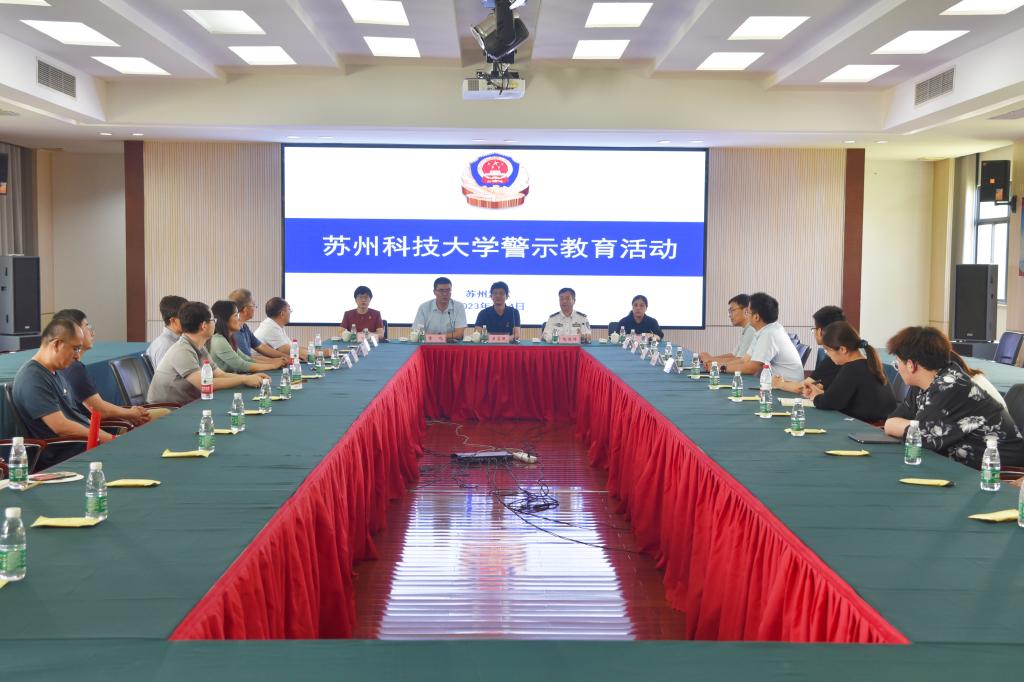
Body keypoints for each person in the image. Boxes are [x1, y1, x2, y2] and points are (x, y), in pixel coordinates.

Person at [883, 326, 1024, 469]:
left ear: (910, 365)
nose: (898, 368)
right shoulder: (923, 384)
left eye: (897, 363)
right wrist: (914, 426)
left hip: (998, 471)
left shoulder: (952, 385)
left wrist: (912, 427)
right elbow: (892, 422)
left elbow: (923, 438)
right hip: (966, 466)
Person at [10, 318, 112, 468]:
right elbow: (61, 426)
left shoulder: (56, 373)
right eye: (75, 348)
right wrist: (105, 437)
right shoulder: (32, 378)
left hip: (86, 447)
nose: (77, 356)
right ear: (57, 344)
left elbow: (75, 416)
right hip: (67, 458)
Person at [148, 301, 269, 405]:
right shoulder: (182, 350)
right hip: (167, 408)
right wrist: (243, 380)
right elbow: (204, 384)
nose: (215, 323)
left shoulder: (199, 346)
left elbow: (219, 374)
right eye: (213, 320)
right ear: (204, 326)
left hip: (186, 404)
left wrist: (249, 378)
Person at [52, 308, 152, 426]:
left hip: (92, 426)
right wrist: (130, 413)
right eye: (87, 327)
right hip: (93, 430)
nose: (92, 333)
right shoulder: (74, 369)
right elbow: (99, 410)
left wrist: (129, 413)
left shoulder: (66, 366)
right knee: (159, 414)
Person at [800, 321, 895, 423]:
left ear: (842, 349)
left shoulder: (852, 368)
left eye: (827, 350)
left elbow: (828, 403)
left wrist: (815, 397)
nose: (827, 354)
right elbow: (837, 398)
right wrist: (821, 394)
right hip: (881, 424)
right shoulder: (870, 363)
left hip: (867, 426)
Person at [721, 292, 803, 382]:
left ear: (756, 317)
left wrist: (722, 368)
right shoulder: (763, 331)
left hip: (788, 387)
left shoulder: (770, 333)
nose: (746, 315)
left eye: (748, 312)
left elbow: (753, 368)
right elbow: (745, 360)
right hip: (777, 383)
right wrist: (719, 365)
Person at [773, 305, 845, 394]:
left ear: (820, 331)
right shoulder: (847, 353)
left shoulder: (835, 358)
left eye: (814, 329)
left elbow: (802, 388)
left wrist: (779, 384)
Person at [209, 300, 287, 374]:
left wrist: (274, 362)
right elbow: (241, 365)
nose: (239, 318)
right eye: (236, 315)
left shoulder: (230, 338)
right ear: (225, 319)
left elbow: (246, 358)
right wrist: (273, 365)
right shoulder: (219, 340)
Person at [227, 288, 289, 361]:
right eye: (253, 305)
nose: (255, 308)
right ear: (245, 309)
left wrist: (286, 357)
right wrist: (276, 362)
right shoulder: (235, 331)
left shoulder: (244, 327)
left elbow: (260, 346)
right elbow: (247, 359)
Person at [700, 294, 752, 367]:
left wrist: (711, 360)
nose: (729, 315)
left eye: (732, 310)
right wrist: (711, 358)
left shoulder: (751, 330)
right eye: (729, 312)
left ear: (746, 311)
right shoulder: (747, 329)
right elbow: (733, 355)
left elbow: (740, 360)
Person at [147, 294, 187, 369]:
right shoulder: (166, 346)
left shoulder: (175, 341)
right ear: (173, 320)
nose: (190, 320)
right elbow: (165, 376)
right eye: (186, 317)